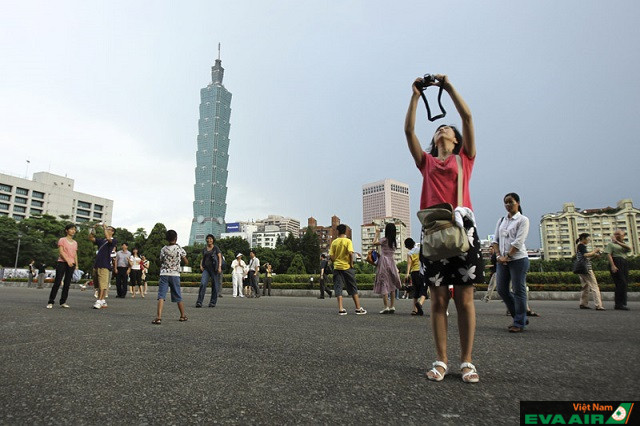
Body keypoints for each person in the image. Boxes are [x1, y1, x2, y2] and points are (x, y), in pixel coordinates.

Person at [404, 74, 482, 383]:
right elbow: (408, 129)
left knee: (464, 299)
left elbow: (467, 116)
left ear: (456, 138)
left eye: (447, 128)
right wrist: (415, 96)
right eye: (438, 127)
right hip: (434, 232)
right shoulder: (425, 162)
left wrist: (446, 87)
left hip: (464, 230)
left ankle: (466, 361)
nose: (442, 128)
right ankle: (441, 360)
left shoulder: (465, 159)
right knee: (437, 300)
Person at [492, 193, 530, 333]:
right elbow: (495, 241)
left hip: (518, 260)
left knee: (518, 290)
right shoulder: (502, 220)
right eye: (506, 203)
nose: (508, 205)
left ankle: (519, 322)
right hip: (502, 261)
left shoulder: (523, 220)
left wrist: (508, 256)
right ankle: (520, 316)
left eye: (511, 202)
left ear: (518, 203)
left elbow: (518, 242)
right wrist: (498, 255)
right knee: (502, 290)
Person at [329, 224, 366, 315]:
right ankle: (358, 308)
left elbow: (331, 256)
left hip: (337, 267)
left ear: (337, 231)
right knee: (352, 286)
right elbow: (350, 253)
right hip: (346, 267)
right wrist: (351, 264)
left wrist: (335, 261)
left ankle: (341, 309)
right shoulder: (348, 241)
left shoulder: (334, 242)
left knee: (338, 287)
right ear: (345, 231)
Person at [152, 229, 188, 324]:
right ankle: (182, 315)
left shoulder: (163, 249)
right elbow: (186, 261)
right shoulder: (179, 248)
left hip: (164, 273)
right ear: (176, 238)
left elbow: (161, 260)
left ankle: (158, 317)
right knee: (178, 295)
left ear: (167, 239)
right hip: (175, 274)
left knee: (161, 295)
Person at [47, 224, 78, 309]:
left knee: (67, 284)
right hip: (62, 262)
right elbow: (61, 252)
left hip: (71, 264)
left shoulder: (75, 242)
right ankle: (51, 301)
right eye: (71, 229)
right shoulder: (62, 240)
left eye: (74, 229)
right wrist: (67, 261)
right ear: (66, 230)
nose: (73, 231)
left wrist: (76, 265)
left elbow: (75, 254)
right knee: (57, 282)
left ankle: (63, 302)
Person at [373, 224, 402, 314]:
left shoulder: (384, 240)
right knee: (392, 284)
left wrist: (377, 233)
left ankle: (386, 307)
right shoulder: (394, 241)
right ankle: (392, 306)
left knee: (384, 283)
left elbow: (374, 242)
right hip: (392, 262)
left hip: (384, 262)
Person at [89, 223, 118, 309]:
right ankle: (102, 301)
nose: (107, 230)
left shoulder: (113, 240)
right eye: (107, 229)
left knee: (103, 285)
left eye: (109, 229)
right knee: (97, 285)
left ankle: (99, 301)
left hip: (105, 265)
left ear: (112, 232)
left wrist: (104, 227)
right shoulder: (102, 240)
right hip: (97, 264)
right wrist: (93, 229)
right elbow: (91, 238)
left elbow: (108, 238)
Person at [575, 233, 605, 310]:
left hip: (581, 269)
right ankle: (598, 305)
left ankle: (583, 303)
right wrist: (595, 251)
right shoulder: (581, 246)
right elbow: (586, 255)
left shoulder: (580, 246)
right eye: (588, 238)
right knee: (594, 286)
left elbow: (585, 258)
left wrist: (594, 256)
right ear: (583, 238)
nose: (589, 240)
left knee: (585, 286)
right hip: (586, 269)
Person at [604, 229, 632, 310]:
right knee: (621, 282)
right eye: (615, 234)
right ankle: (618, 304)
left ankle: (623, 303)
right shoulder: (611, 244)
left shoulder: (623, 245)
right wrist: (613, 265)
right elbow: (608, 254)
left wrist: (618, 242)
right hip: (616, 261)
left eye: (618, 234)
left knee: (624, 283)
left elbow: (629, 248)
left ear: (623, 236)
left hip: (624, 262)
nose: (616, 236)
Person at [196, 234, 222, 308]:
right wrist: (201, 265)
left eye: (210, 239)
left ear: (213, 240)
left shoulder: (216, 248)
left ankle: (212, 302)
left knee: (214, 285)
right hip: (206, 269)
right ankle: (199, 302)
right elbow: (203, 258)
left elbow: (219, 257)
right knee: (203, 283)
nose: (209, 240)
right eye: (208, 239)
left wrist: (219, 266)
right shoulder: (204, 249)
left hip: (214, 269)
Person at [404, 238, 427, 315]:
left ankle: (414, 310)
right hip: (422, 272)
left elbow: (409, 264)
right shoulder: (420, 250)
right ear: (414, 243)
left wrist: (407, 274)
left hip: (414, 273)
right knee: (424, 290)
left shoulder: (409, 253)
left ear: (407, 246)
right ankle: (420, 304)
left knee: (416, 291)